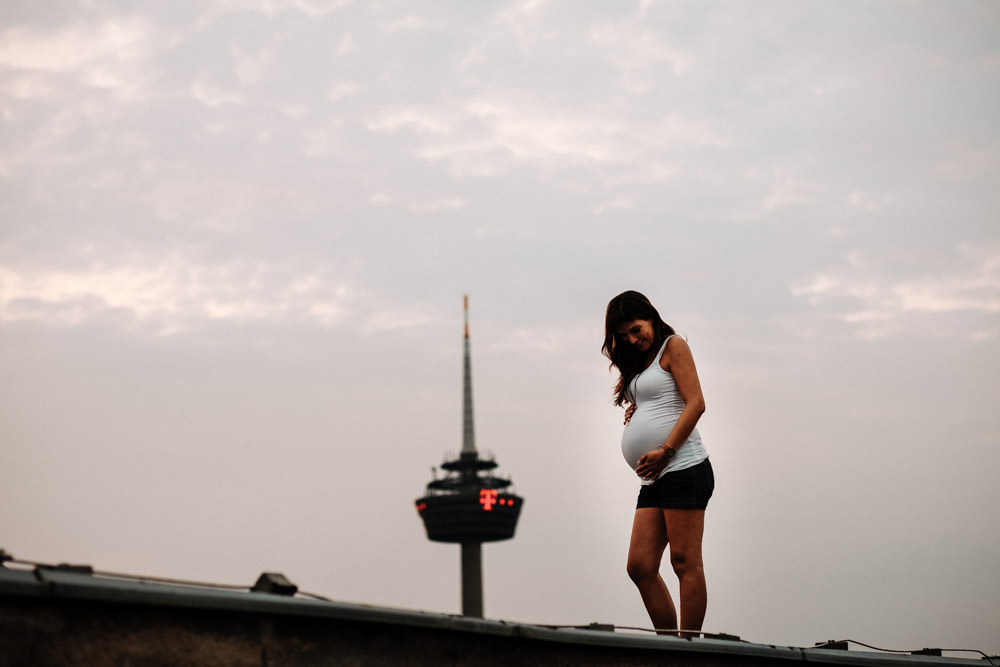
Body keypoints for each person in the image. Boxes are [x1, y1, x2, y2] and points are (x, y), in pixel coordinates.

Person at [602, 290, 714, 637]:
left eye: (636, 330)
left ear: (651, 316)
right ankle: (669, 646)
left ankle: (689, 647)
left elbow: (695, 403)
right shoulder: (642, 361)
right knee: (639, 566)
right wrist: (638, 413)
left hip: (684, 466)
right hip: (654, 478)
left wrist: (665, 449)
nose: (633, 340)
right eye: (624, 337)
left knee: (684, 562)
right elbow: (660, 400)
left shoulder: (673, 346)